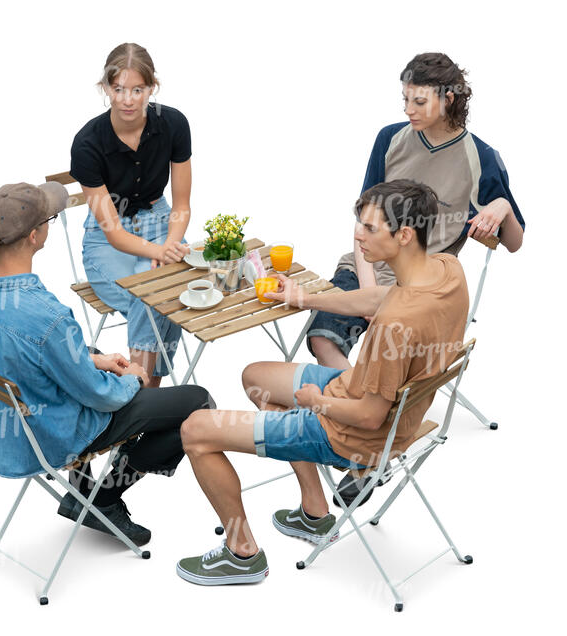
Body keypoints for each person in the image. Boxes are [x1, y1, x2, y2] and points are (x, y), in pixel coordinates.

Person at [175, 179, 469, 585]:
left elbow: (368, 416)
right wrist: (302, 298)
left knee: (195, 431)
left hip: (352, 434)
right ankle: (314, 512)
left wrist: (314, 402)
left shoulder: (396, 326)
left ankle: (241, 552)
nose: (357, 235)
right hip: (366, 396)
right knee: (255, 376)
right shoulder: (445, 271)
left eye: (369, 228)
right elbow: (377, 299)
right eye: (359, 224)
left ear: (403, 235)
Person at [0, 181, 213, 546]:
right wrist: (134, 379)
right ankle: (102, 498)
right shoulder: (48, 316)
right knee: (199, 401)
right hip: (55, 431)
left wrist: (96, 359)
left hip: (10, 421)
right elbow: (101, 397)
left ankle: (82, 492)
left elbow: (21, 351)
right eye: (51, 219)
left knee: (89, 347)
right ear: (34, 235)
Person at [307, 52, 525, 372]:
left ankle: (366, 408)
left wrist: (503, 205)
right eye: (405, 99)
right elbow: (363, 221)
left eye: (419, 102)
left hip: (422, 289)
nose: (409, 110)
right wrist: (368, 292)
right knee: (323, 337)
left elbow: (514, 242)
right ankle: (359, 403)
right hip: (368, 269)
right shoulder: (390, 138)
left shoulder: (481, 157)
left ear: (448, 99)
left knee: (391, 360)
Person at [70, 42, 192, 387]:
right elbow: (112, 232)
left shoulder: (173, 124)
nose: (127, 99)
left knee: (165, 292)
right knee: (152, 295)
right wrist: (159, 254)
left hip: (161, 223)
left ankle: (143, 396)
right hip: (109, 240)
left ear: (151, 88)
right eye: (119, 89)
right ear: (105, 88)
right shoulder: (87, 144)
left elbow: (181, 205)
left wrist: (169, 243)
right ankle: (150, 393)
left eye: (138, 89)